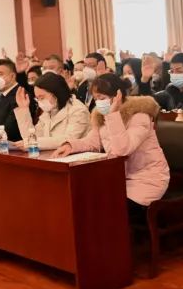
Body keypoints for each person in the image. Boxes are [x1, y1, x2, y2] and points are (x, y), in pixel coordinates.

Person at [52, 75, 170, 213]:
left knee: (103, 207)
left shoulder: (139, 116)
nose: (98, 103)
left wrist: (113, 114)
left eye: (102, 98)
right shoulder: (102, 116)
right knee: (83, 201)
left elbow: (123, 150)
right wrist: (70, 146)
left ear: (117, 96)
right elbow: (92, 142)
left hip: (147, 180)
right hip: (118, 178)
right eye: (96, 99)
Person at [11, 71, 89, 150]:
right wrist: (24, 109)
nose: (39, 101)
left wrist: (32, 142)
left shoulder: (78, 110)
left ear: (56, 94)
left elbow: (68, 140)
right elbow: (30, 138)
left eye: (42, 97)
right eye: (37, 98)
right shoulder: (49, 111)